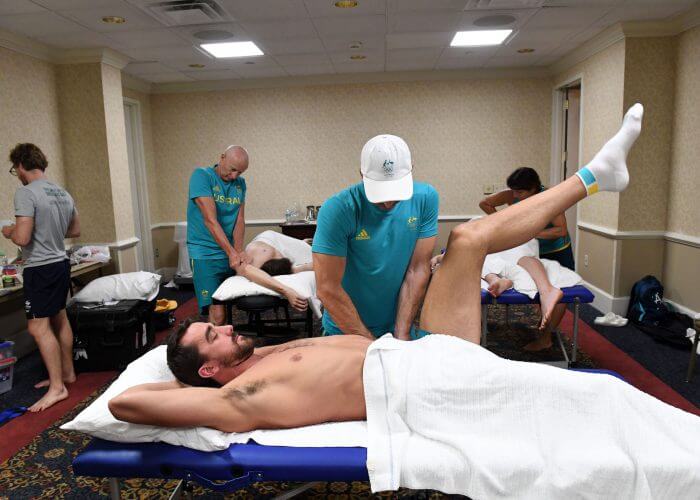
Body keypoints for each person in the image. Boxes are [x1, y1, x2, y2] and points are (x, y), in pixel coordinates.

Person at [109, 106, 700, 497]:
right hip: (416, 389)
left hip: (411, 353)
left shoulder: (269, 355)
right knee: (590, 394)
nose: (225, 328)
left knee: (467, 238)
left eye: (213, 329)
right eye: (212, 337)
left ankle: (596, 174)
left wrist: (393, 335)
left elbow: (416, 272)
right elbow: (127, 404)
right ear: (212, 371)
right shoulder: (236, 399)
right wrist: (193, 383)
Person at [312, 134, 439, 340]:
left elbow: (417, 270)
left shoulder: (426, 198)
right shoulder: (338, 209)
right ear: (362, 174)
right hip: (345, 329)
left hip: (396, 324)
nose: (388, 203)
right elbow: (327, 288)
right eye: (380, 194)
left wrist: (401, 332)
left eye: (395, 193)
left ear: (411, 170)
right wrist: (370, 344)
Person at [2, 144, 81, 412]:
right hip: (60, 262)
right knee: (59, 317)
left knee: (37, 327)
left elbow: (22, 238)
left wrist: (9, 230)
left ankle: (57, 388)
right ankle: (67, 373)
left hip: (41, 267)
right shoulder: (62, 191)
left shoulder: (25, 192)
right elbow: (75, 229)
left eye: (15, 170)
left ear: (21, 166)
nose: (17, 174)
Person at [431, 238, 568, 350]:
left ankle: (545, 335)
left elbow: (461, 253)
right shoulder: (483, 236)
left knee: (481, 258)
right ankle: (499, 280)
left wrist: (440, 258)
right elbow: (461, 252)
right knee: (479, 257)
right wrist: (440, 257)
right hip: (502, 259)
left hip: (511, 256)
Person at [187, 145, 249, 325]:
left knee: (227, 304)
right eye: (232, 169)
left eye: (240, 172)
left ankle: (224, 346)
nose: (235, 176)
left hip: (228, 251)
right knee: (217, 312)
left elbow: (239, 219)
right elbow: (210, 220)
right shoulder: (201, 176)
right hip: (205, 253)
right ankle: (211, 350)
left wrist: (238, 250)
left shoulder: (240, 184)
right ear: (222, 158)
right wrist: (232, 253)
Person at [479, 167, 575, 270]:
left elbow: (561, 230)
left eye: (519, 192)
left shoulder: (550, 199)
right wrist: (501, 222)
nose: (515, 195)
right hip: (529, 249)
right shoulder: (511, 194)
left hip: (555, 250)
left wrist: (528, 232)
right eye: (513, 190)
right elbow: (485, 204)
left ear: (533, 189)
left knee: (564, 282)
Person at [233, 230, 314, 311]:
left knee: (304, 258)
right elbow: (247, 271)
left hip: (269, 239)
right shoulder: (256, 258)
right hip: (266, 241)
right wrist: (287, 291)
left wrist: (301, 244)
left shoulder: (261, 254)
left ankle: (303, 245)